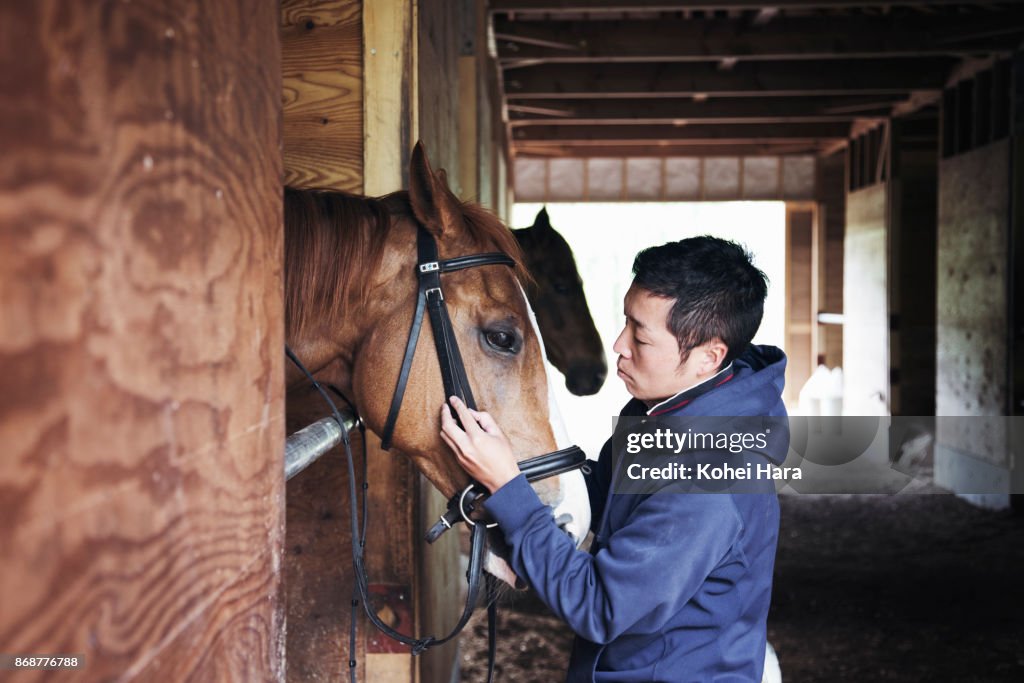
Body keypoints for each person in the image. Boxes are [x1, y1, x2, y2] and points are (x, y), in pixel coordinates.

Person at [440, 236, 788, 682]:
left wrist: (510, 491)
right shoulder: (667, 409)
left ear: (709, 356)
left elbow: (600, 606)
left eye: (640, 336)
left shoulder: (710, 480)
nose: (619, 344)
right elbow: (600, 494)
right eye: (626, 321)